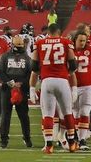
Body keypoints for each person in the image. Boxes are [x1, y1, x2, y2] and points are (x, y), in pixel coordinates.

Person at [31, 22, 77, 154]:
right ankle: (72, 142)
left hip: (47, 81)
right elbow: (73, 64)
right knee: (67, 112)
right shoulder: (65, 41)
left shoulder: (39, 43)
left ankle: (49, 145)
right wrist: (65, 72)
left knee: (48, 115)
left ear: (48, 32)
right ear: (59, 32)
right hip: (62, 80)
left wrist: (45, 72)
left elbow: (34, 66)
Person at [0, 34, 33, 149]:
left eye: (21, 46)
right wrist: (10, 82)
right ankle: (4, 139)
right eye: (18, 46)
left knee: (23, 116)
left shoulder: (27, 58)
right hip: (7, 89)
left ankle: (27, 137)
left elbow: (30, 74)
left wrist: (21, 83)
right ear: (12, 45)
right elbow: (0, 72)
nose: (20, 48)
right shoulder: (5, 56)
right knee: (6, 115)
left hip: (21, 89)